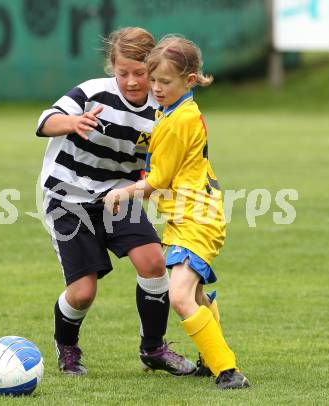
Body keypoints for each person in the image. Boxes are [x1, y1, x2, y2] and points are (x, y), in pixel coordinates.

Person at [35, 27, 196, 376]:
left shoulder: (161, 110)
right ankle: (67, 347)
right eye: (123, 72)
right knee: (82, 292)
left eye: (141, 73)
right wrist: (72, 122)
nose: (133, 81)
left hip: (118, 196)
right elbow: (45, 121)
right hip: (68, 196)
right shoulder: (92, 93)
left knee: (153, 262)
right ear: (112, 68)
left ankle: (153, 349)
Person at [104, 35, 250, 389]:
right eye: (153, 80)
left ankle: (228, 371)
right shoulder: (175, 110)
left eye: (164, 82)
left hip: (195, 218)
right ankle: (212, 359)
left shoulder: (177, 121)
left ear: (189, 79)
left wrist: (120, 194)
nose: (155, 88)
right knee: (196, 295)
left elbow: (156, 182)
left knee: (180, 295)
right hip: (192, 215)